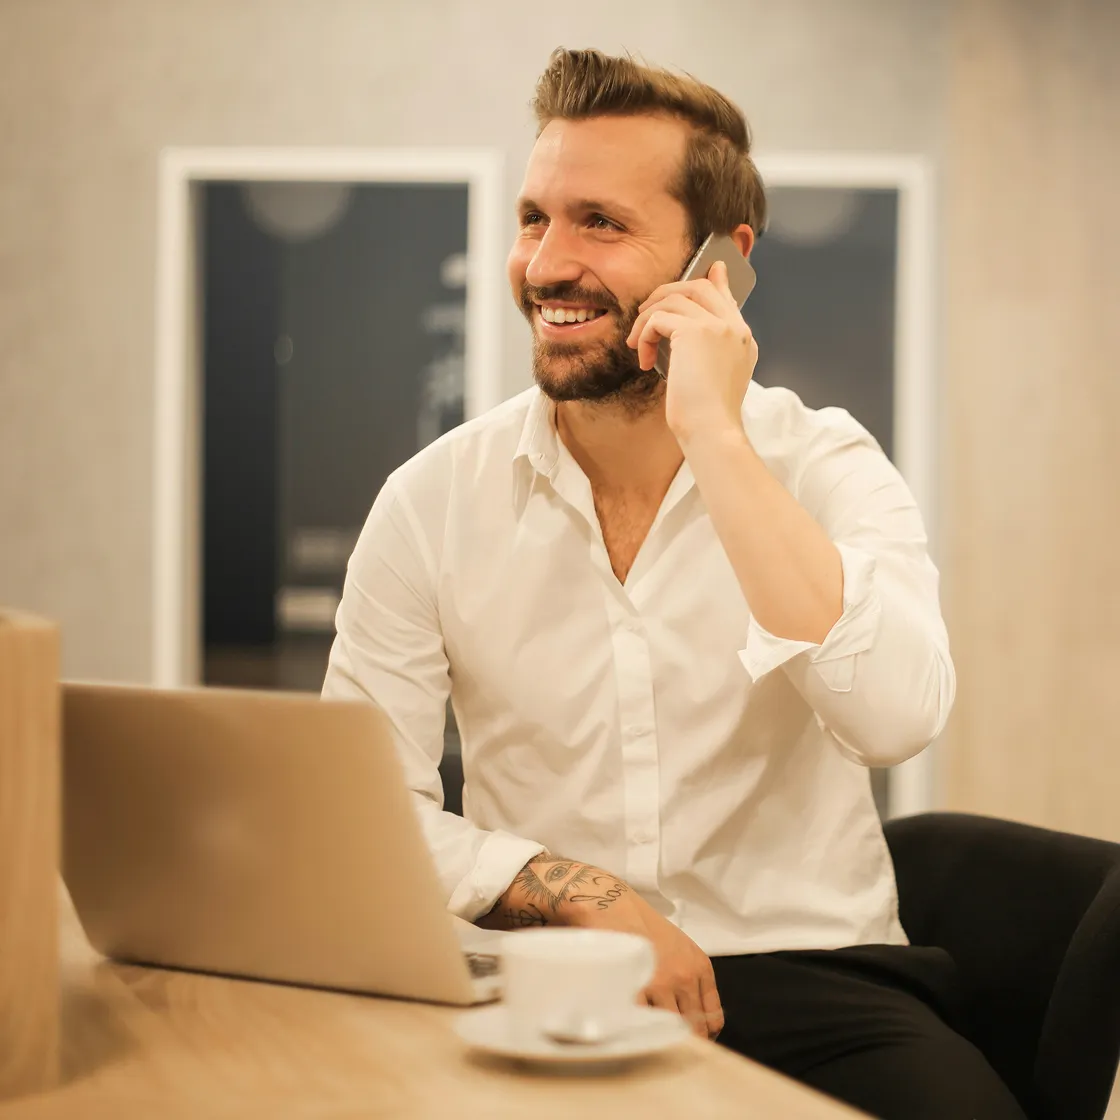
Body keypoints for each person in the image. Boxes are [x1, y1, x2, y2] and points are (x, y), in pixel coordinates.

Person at [323, 47, 1026, 1120]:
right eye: (532, 219)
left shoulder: (825, 463)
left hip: (815, 977)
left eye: (599, 223)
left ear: (718, 262)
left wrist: (715, 435)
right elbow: (364, 810)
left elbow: (893, 717)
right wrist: (583, 894)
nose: (545, 264)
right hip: (544, 975)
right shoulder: (430, 502)